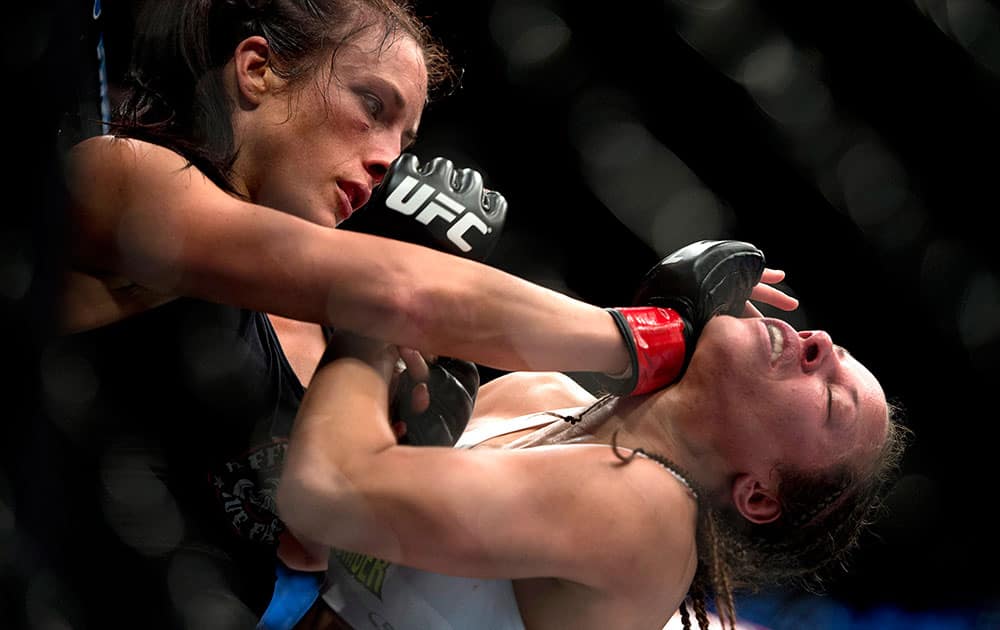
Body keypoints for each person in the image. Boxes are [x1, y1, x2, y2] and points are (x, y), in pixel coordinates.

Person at [37, 1, 799, 629]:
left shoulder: (319, 322)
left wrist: (402, 418)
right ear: (259, 71)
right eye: (372, 107)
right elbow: (406, 290)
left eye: (404, 141)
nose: (386, 158)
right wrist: (657, 333)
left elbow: (307, 544)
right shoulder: (131, 178)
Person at [274, 240, 909, 630]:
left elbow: (323, 492)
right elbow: (309, 543)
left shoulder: (643, 510)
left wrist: (373, 324)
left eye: (832, 399)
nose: (818, 345)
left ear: (761, 496)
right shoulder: (541, 396)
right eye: (830, 347)